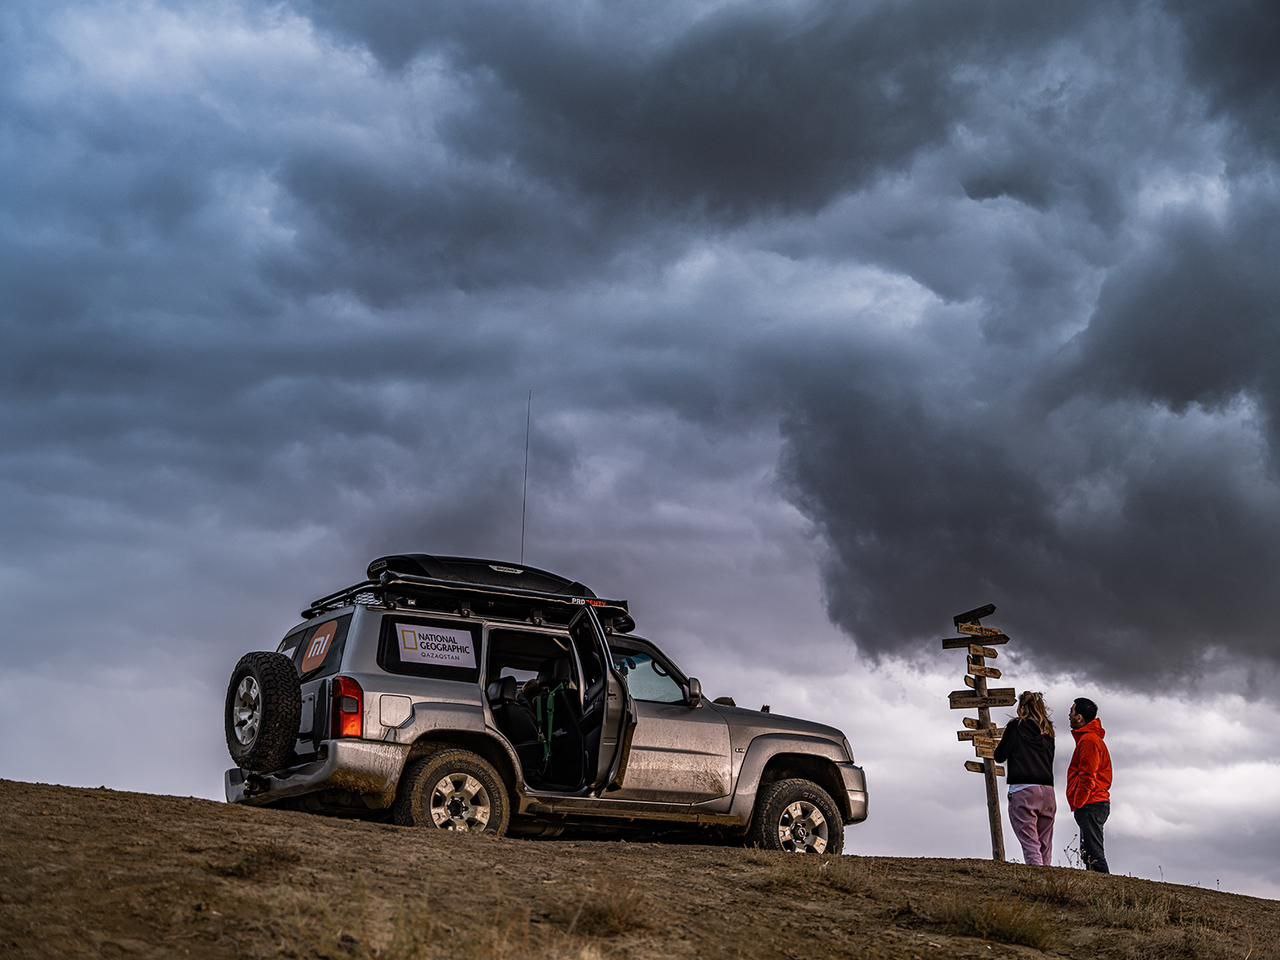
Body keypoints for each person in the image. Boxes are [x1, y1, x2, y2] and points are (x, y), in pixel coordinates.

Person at [994, 691, 1056, 866]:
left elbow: (999, 756)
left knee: (1031, 844)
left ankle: (1037, 879)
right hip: (1048, 791)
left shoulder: (1016, 726)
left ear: (1021, 708)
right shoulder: (1048, 731)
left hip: (1023, 789)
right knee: (1045, 844)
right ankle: (1048, 878)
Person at [1067, 697, 1112, 873]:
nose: (1069, 715)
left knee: (1094, 854)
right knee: (1088, 853)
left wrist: (1079, 801)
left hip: (1091, 803)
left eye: (1071, 711)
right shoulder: (1089, 739)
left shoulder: (1089, 741)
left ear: (1079, 717)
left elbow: (1088, 775)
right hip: (1093, 802)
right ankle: (1097, 885)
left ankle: (1105, 886)